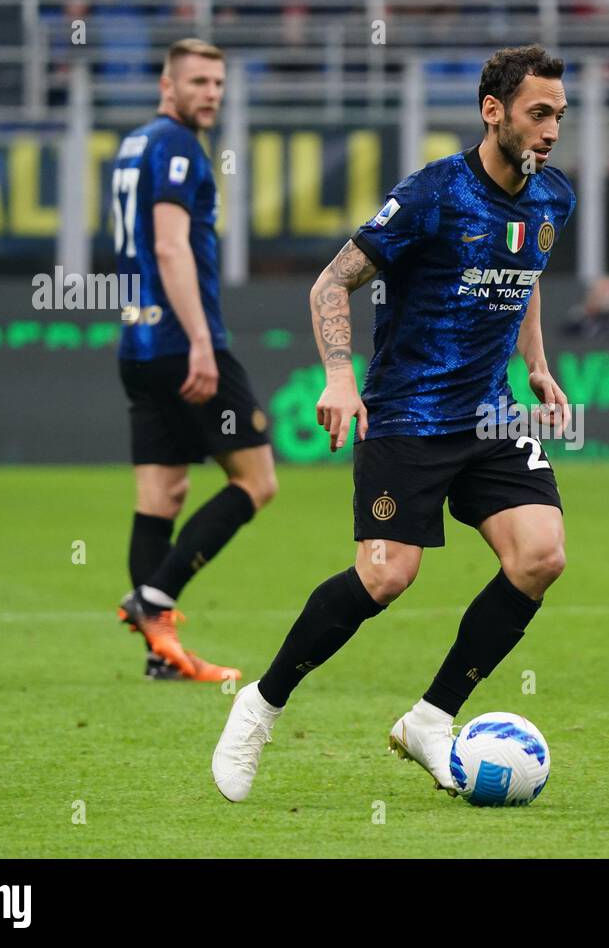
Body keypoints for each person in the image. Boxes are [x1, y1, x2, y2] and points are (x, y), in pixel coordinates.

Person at [212, 43, 575, 802]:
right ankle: (261, 705)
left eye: (559, 116)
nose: (550, 130)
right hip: (408, 414)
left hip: (490, 416)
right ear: (493, 112)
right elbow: (332, 282)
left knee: (540, 556)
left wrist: (536, 364)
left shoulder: (551, 198)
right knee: (386, 576)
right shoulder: (433, 195)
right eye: (537, 113)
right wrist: (340, 376)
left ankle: (432, 719)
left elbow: (525, 274)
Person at [113, 39, 278, 682]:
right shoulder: (177, 146)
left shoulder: (134, 144)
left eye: (218, 82)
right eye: (200, 81)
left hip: (138, 343)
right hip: (184, 344)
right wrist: (204, 341)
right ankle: (154, 600)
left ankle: (163, 655)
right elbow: (171, 246)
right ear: (167, 84)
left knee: (163, 494)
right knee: (257, 482)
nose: (212, 93)